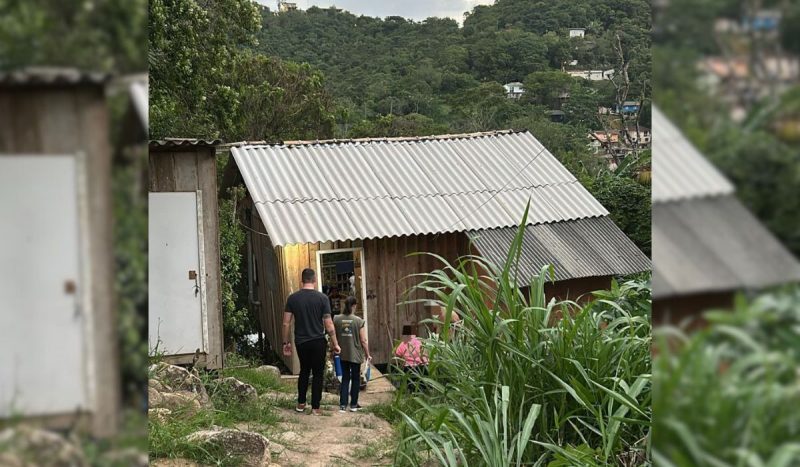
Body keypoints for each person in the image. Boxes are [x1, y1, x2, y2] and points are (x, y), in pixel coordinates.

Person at [282, 268, 341, 415]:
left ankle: (301, 404)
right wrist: (335, 343)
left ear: (301, 281)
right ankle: (315, 407)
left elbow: (286, 323)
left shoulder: (292, 298)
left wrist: (285, 343)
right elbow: (328, 324)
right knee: (318, 373)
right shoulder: (322, 298)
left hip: (301, 342)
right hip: (318, 341)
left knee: (304, 371)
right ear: (314, 281)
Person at [333, 296, 371, 412]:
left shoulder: (337, 319)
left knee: (345, 378)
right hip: (355, 354)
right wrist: (367, 354)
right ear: (354, 306)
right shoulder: (358, 321)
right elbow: (363, 340)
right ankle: (353, 404)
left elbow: (332, 335)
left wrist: (332, 350)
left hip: (343, 354)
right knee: (355, 379)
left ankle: (343, 405)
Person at [395, 325, 428, 391]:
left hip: (408, 367)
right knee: (421, 383)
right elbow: (424, 353)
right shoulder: (419, 342)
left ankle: (411, 393)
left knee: (410, 383)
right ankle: (422, 392)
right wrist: (425, 362)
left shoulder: (403, 343)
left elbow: (397, 353)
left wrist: (402, 362)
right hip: (420, 366)